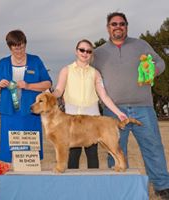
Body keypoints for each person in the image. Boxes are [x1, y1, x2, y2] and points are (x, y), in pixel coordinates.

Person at [93, 12, 169, 199]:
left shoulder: (141, 45)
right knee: (115, 148)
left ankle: (162, 186)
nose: (117, 26)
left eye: (121, 23)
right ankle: (119, 186)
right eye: (113, 24)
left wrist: (153, 71)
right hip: (113, 110)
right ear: (108, 27)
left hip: (143, 107)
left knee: (153, 147)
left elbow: (160, 62)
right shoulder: (98, 52)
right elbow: (88, 74)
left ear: (126, 26)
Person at [53, 39, 127, 169]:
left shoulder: (95, 73)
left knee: (92, 154)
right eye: (82, 50)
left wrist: (118, 113)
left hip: (92, 120)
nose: (85, 53)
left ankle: (94, 183)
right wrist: (50, 96)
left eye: (88, 51)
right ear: (76, 51)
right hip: (71, 120)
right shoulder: (66, 70)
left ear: (91, 54)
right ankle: (73, 184)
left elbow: (103, 96)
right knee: (73, 154)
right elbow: (59, 90)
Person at [0, 30, 52, 163]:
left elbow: (48, 82)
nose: (19, 50)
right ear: (9, 47)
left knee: (30, 151)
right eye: (15, 47)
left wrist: (28, 86)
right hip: (9, 113)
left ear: (25, 44)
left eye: (22, 46)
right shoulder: (3, 63)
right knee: (8, 151)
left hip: (30, 113)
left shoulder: (35, 61)